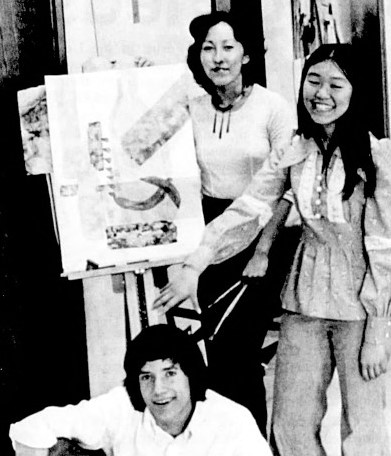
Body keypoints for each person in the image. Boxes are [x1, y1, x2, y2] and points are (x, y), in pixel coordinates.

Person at [154, 43, 391, 455]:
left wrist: (377, 330)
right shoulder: (294, 150)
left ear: (357, 93)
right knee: (290, 424)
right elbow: (248, 209)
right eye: (313, 81)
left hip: (364, 305)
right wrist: (196, 263)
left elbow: (385, 249)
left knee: (367, 430)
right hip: (305, 298)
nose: (321, 93)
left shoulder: (378, 158)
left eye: (336, 84)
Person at [154, 11, 297, 436]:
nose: (218, 57)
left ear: (247, 54)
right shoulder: (192, 108)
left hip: (264, 234)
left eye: (228, 47)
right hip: (210, 233)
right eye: (208, 48)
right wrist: (142, 87)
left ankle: (253, 443)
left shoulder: (274, 107)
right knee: (212, 352)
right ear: (197, 56)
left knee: (238, 351)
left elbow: (287, 188)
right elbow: (139, 142)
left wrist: (264, 250)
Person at [9, 324, 272, 456]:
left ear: (191, 375)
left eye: (170, 373)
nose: (159, 390)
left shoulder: (231, 421)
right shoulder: (122, 406)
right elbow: (30, 428)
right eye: (147, 377)